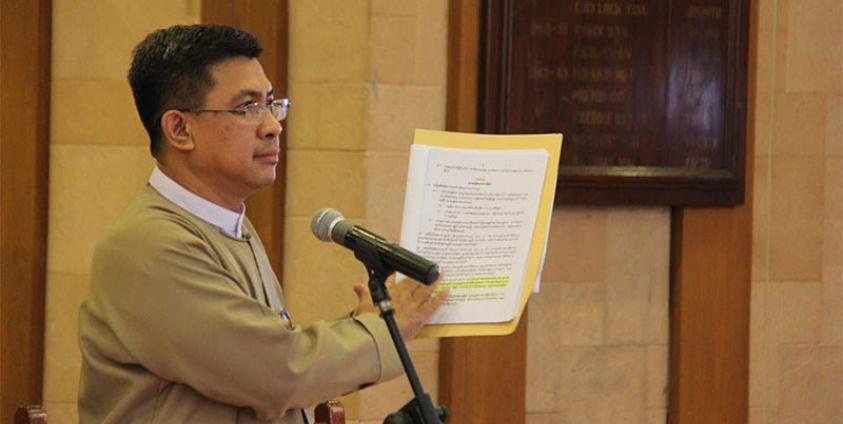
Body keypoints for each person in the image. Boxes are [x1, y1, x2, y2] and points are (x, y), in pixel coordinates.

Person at [78, 24, 448, 424]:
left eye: (272, 104)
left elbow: (259, 353)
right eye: (247, 108)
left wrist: (359, 325)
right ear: (180, 129)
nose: (272, 125)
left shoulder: (226, 222)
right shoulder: (149, 246)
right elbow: (277, 374)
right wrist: (387, 329)